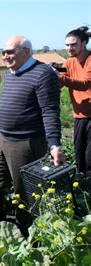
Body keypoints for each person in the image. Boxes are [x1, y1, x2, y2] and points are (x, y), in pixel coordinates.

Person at [0, 36, 65, 237]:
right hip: (4, 139)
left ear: (26, 51)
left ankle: (27, 235)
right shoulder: (12, 73)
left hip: (26, 143)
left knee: (24, 192)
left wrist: (55, 145)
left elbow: (50, 110)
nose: (5, 56)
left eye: (10, 51)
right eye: (3, 52)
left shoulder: (43, 74)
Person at [55, 26, 91, 183]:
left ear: (83, 43)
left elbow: (85, 83)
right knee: (79, 155)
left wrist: (61, 78)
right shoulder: (68, 62)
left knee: (90, 157)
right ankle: (82, 187)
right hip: (79, 116)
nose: (69, 48)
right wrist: (49, 72)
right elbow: (60, 75)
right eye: (67, 45)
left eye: (73, 45)